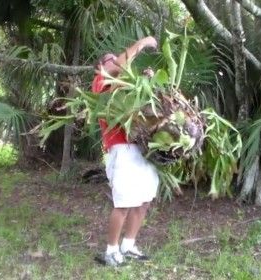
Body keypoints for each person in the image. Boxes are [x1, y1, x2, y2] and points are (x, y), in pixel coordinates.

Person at [91, 36, 159, 266]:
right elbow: (121, 65)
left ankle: (128, 246)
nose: (115, 61)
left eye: (115, 58)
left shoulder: (121, 85)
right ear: (101, 67)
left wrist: (145, 80)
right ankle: (110, 251)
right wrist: (143, 42)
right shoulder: (101, 81)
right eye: (110, 59)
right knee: (124, 203)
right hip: (121, 150)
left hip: (140, 150)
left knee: (143, 201)